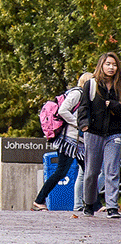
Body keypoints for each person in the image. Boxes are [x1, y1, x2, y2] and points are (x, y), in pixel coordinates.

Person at [32, 73, 92, 211]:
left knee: (89, 171)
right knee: (62, 171)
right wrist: (78, 124)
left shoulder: (85, 96)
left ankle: (94, 204)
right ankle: (39, 200)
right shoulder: (77, 93)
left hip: (78, 142)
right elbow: (63, 110)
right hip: (69, 141)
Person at [78, 53, 121, 218]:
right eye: (108, 64)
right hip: (94, 132)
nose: (111, 67)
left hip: (114, 133)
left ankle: (111, 207)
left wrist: (114, 105)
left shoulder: (119, 86)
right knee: (92, 171)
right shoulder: (91, 84)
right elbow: (83, 107)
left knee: (112, 170)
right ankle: (88, 203)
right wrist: (84, 125)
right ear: (101, 65)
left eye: (114, 64)